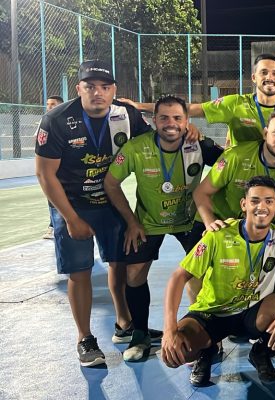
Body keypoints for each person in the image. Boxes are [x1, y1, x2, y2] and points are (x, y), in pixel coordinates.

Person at [35, 59, 152, 366]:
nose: (97, 93)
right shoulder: (57, 120)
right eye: (90, 87)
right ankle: (84, 338)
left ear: (114, 90)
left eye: (104, 87)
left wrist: (188, 131)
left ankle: (124, 323)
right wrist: (71, 219)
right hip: (70, 203)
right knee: (80, 271)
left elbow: (156, 142)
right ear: (79, 89)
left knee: (120, 261)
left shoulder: (126, 115)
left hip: (109, 200)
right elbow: (45, 175)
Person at [160, 176, 275, 384]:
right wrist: (169, 330)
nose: (262, 207)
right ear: (244, 204)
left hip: (254, 312)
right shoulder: (218, 234)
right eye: (255, 201)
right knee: (174, 354)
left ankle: (261, 351)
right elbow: (178, 277)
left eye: (269, 201)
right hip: (213, 313)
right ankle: (208, 349)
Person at [103, 95, 223, 363]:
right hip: (148, 222)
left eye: (178, 118)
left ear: (187, 121)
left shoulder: (199, 145)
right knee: (134, 273)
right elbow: (110, 183)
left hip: (189, 220)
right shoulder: (136, 148)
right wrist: (132, 222)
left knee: (203, 274)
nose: (171, 123)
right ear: (154, 120)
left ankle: (206, 334)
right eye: (164, 118)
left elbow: (230, 166)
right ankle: (140, 335)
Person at [121, 53, 275, 150]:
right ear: (254, 77)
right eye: (264, 72)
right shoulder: (235, 103)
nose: (269, 77)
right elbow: (189, 109)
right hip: (238, 174)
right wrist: (138, 106)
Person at [193, 110, 275, 233]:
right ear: (265, 134)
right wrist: (211, 224)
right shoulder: (236, 156)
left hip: (257, 229)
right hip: (219, 223)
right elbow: (200, 193)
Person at [42, 95, 65, 240]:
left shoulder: (68, 122)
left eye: (53, 104)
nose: (49, 107)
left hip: (67, 170)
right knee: (52, 196)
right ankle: (53, 226)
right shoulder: (46, 121)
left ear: (61, 106)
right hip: (51, 169)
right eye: (48, 104)